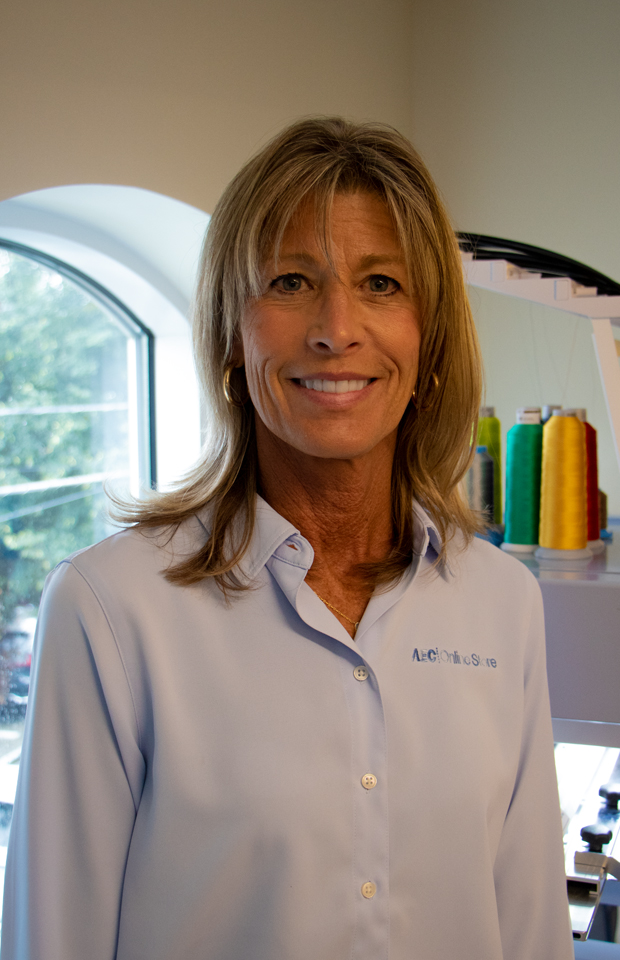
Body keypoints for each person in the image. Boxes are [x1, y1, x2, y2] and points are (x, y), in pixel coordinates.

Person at [0, 117, 573, 960]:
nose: (336, 328)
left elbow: (531, 930)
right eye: (292, 281)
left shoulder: (502, 604)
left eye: (381, 283)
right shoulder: (111, 611)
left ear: (431, 342)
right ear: (232, 336)